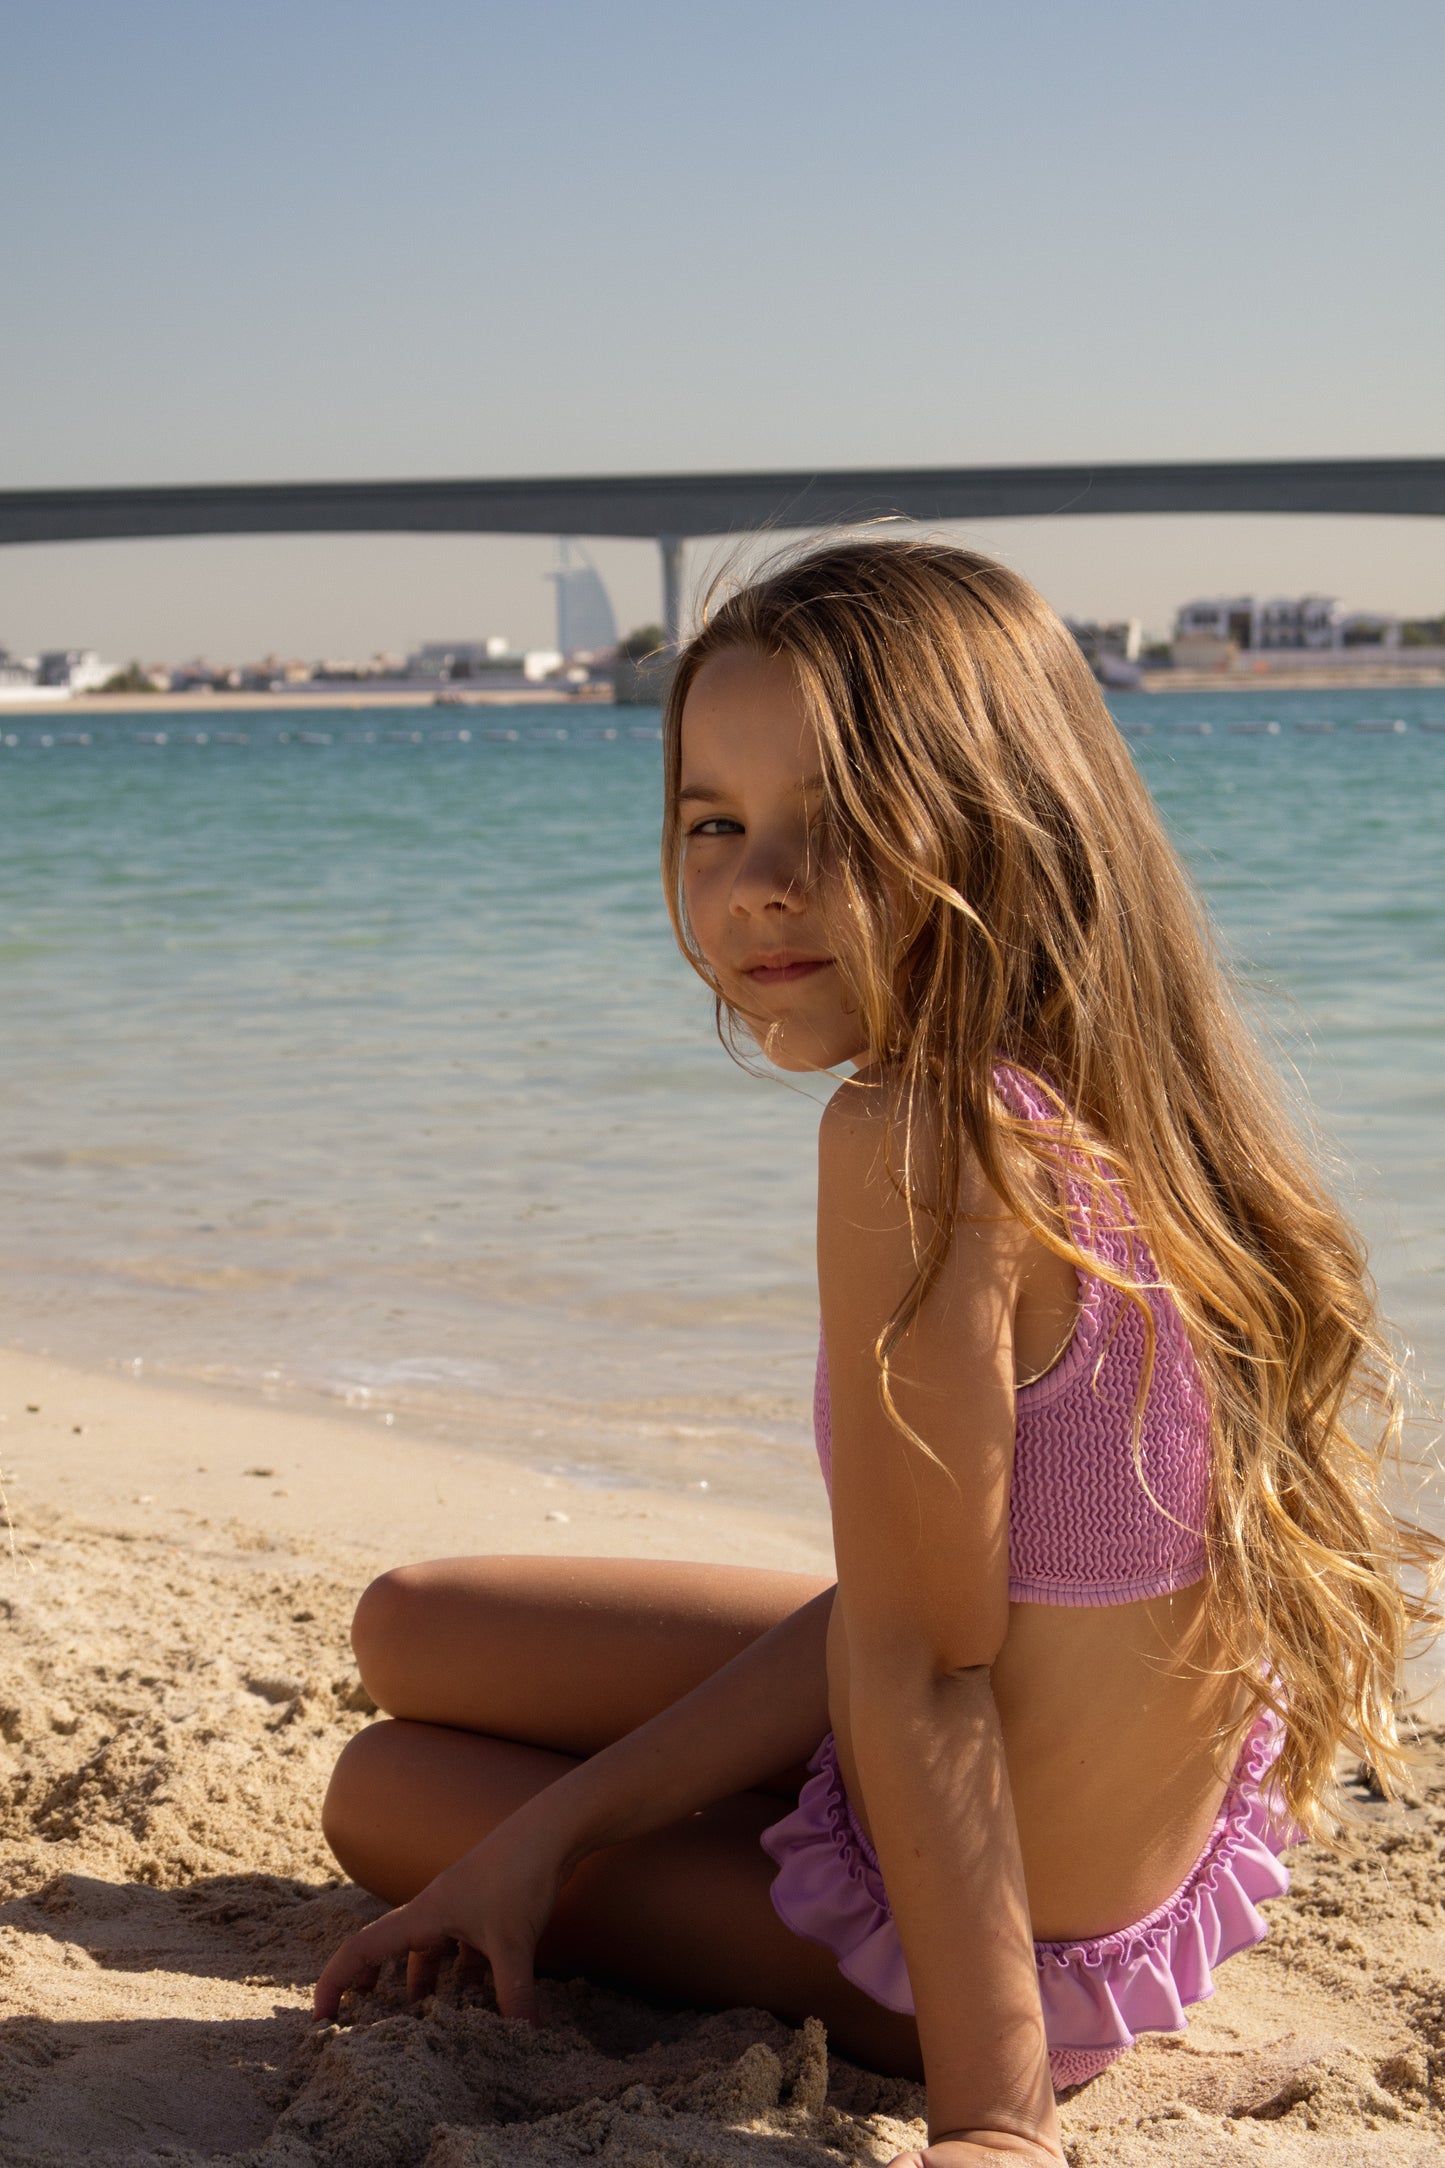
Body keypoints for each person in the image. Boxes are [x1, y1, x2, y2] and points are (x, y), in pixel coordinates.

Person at [313, 539, 1438, 2166]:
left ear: (1001, 825)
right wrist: (555, 1835)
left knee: (386, 1794)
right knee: (409, 1628)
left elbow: (924, 1667)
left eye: (834, 821)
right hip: (1136, 1849)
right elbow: (934, 1602)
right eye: (714, 823)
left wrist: (992, 2121)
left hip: (1000, 1945)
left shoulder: (913, 1137)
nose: (757, 881)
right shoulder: (1132, 1095)